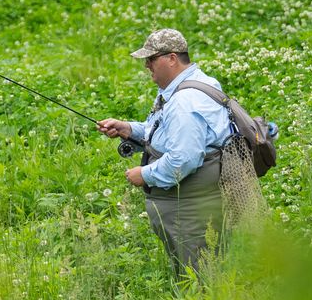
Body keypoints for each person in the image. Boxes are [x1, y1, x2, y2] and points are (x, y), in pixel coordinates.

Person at [97, 28, 231, 275]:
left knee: (200, 277)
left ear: (171, 58)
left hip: (190, 207)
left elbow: (183, 159)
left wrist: (144, 175)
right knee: (201, 269)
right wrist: (129, 129)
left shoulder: (184, 102)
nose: (147, 65)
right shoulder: (200, 83)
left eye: (151, 59)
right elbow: (168, 133)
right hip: (196, 201)